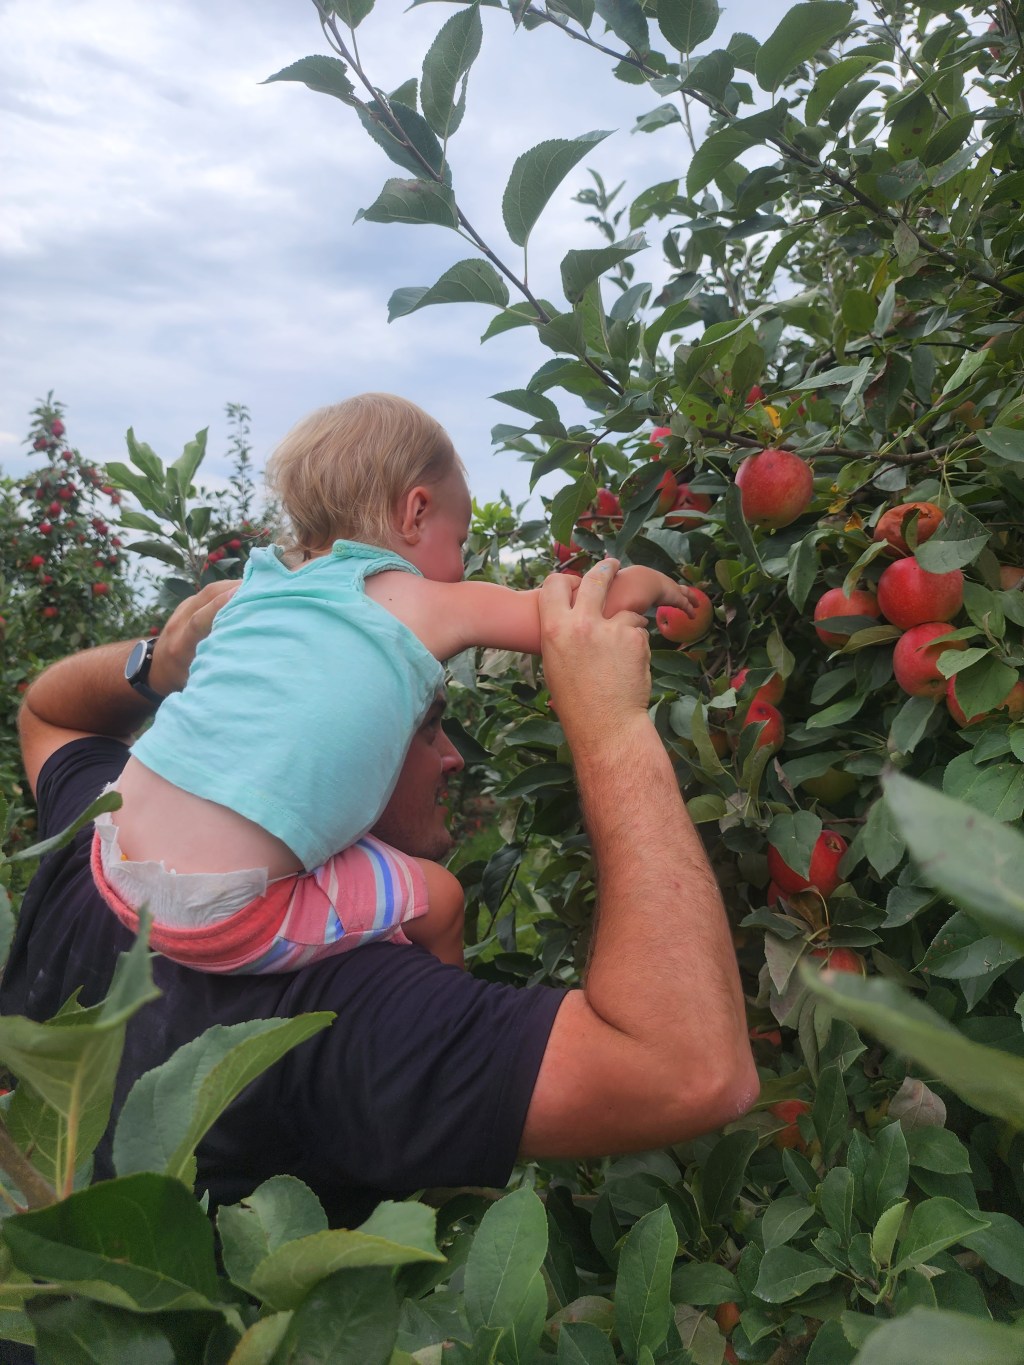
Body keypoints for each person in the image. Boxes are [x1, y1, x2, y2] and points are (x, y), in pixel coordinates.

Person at [3, 562, 758, 1231]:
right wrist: (614, 728)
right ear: (332, 747)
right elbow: (691, 1069)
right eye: (427, 727)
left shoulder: (103, 835)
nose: (454, 756)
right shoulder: (345, 1008)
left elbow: (47, 711)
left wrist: (155, 665)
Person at [99, 394, 699, 975]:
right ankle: (442, 1027)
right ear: (415, 512)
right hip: (224, 919)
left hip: (112, 854)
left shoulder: (251, 589)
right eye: (460, 540)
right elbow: (569, 616)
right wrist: (651, 582)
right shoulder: (425, 602)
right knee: (440, 900)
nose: (462, 567)